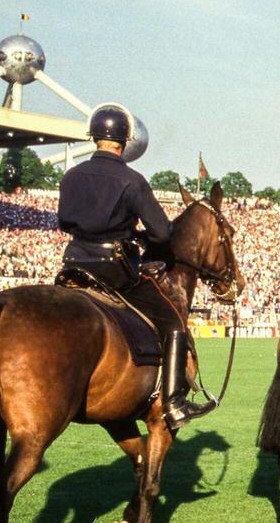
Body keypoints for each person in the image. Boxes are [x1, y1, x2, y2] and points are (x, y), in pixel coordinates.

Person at [57, 103, 213, 430]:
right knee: (172, 323)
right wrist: (136, 235)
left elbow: (64, 221)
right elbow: (163, 232)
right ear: (124, 141)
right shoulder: (131, 179)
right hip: (114, 269)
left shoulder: (71, 176)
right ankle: (173, 403)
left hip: (73, 264)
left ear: (94, 137)